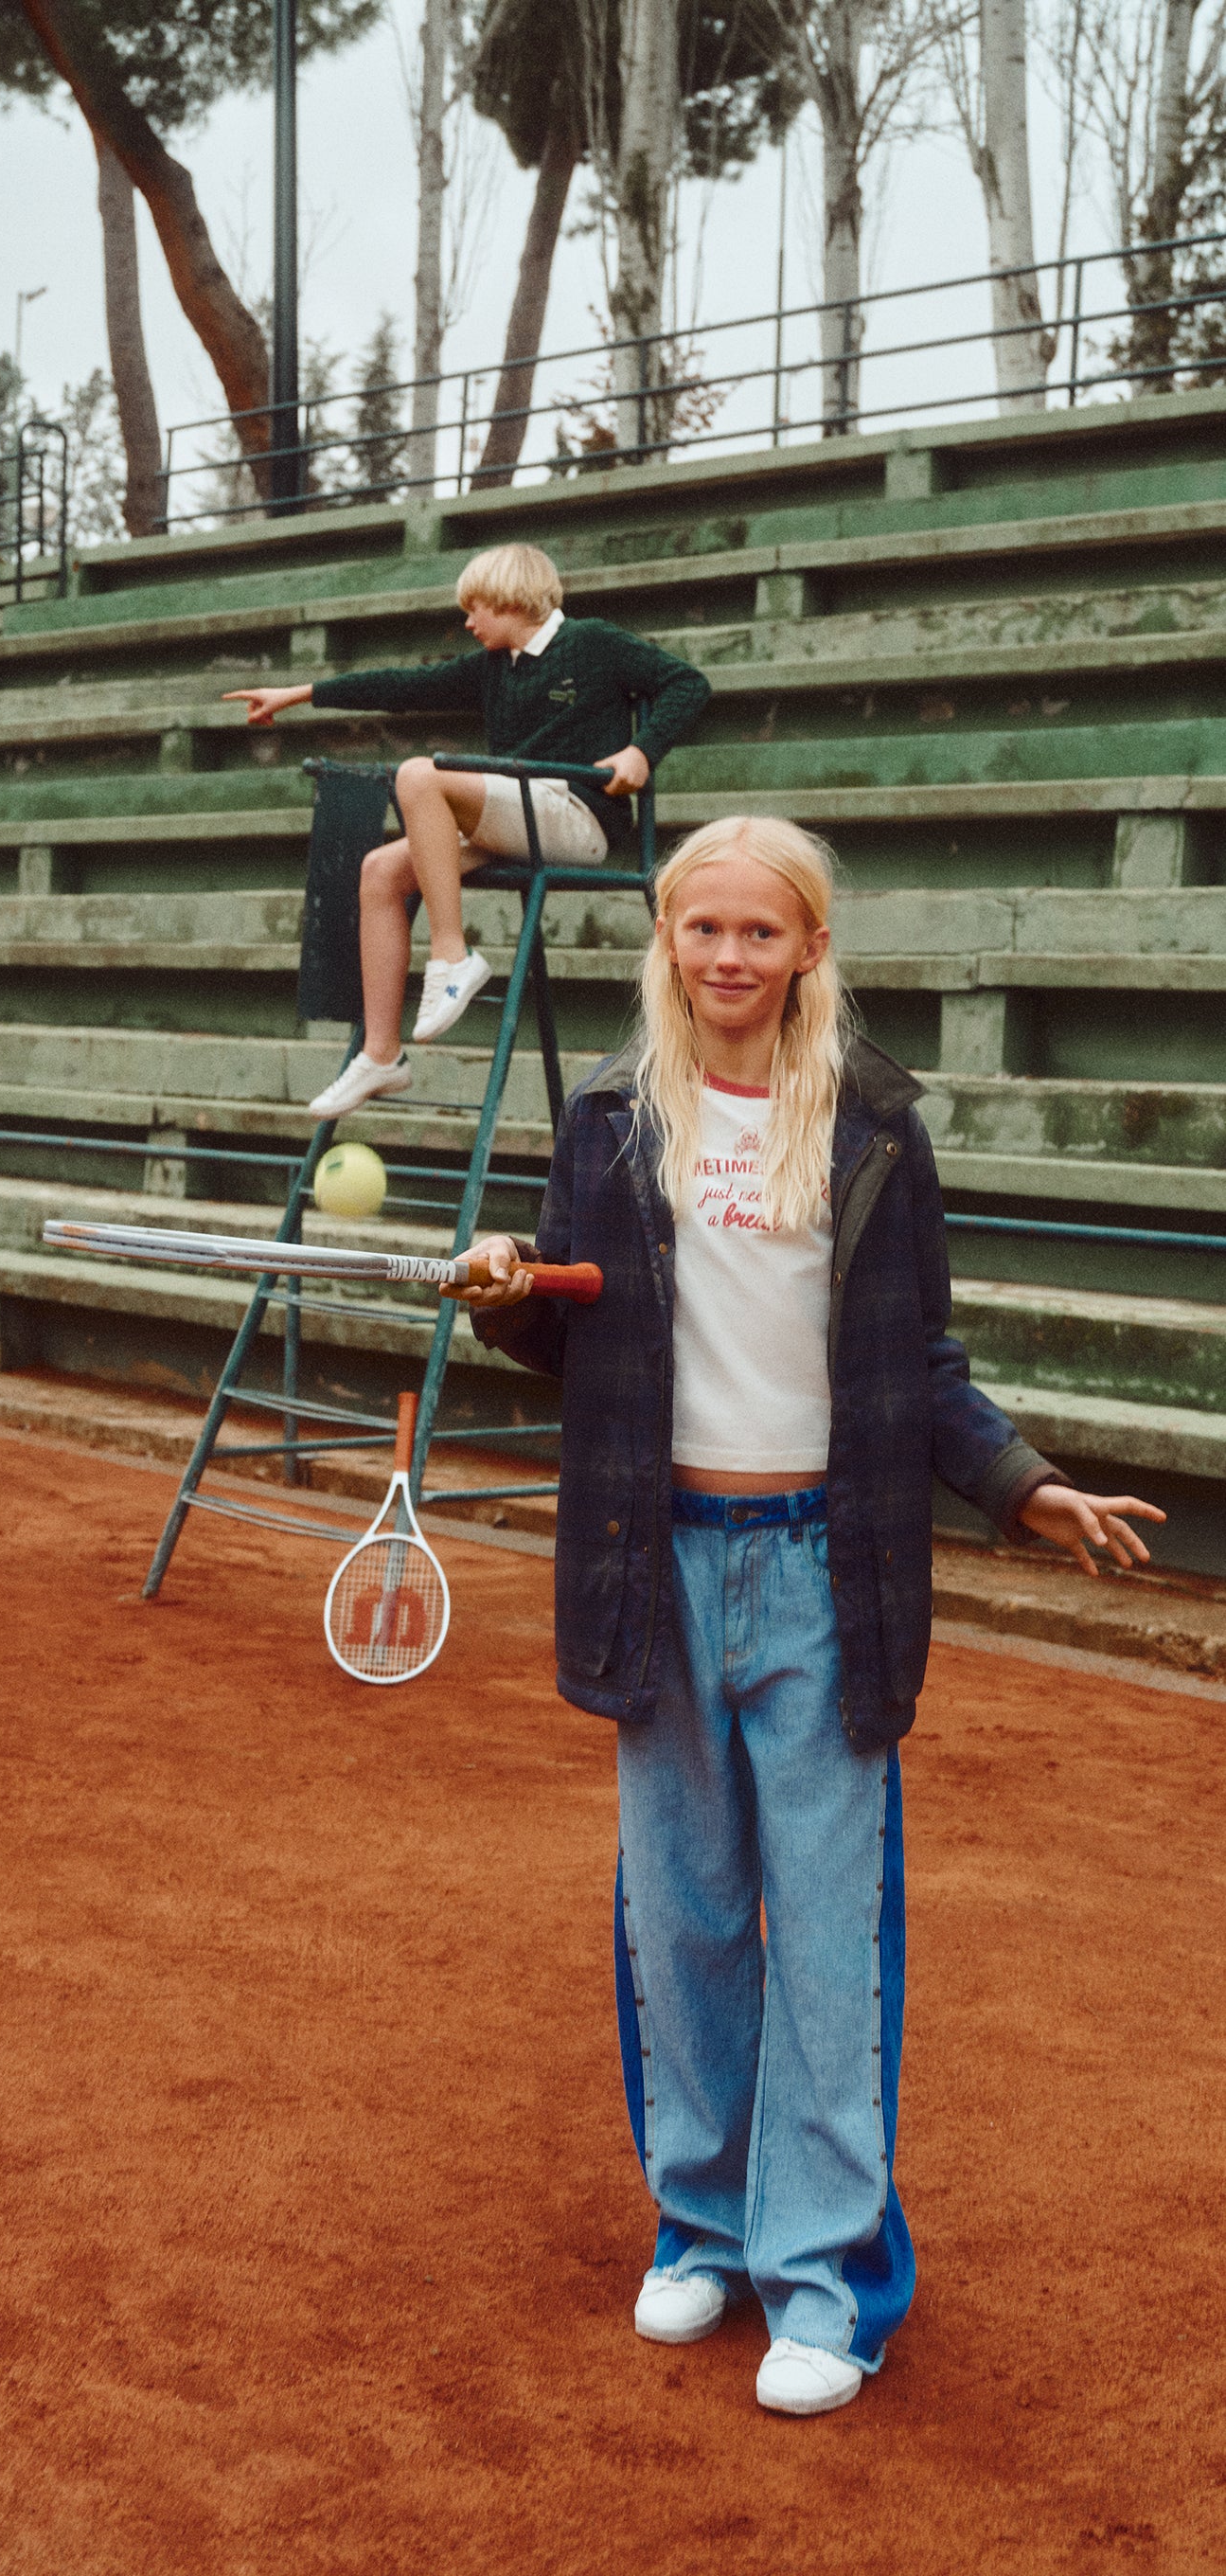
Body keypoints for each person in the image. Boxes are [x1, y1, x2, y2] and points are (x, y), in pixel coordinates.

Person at [452, 815, 1163, 2417]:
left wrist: (1022, 1485)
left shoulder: (880, 1130)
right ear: (665, 940)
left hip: (828, 1574)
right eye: (700, 929)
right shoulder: (609, 1121)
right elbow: (578, 1337)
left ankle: (827, 2277)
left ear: (809, 948)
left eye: (758, 933)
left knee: (828, 1944)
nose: (726, 958)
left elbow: (922, 1366)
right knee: (684, 1921)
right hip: (660, 1558)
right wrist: (509, 1293)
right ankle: (699, 2223)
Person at [223, 542, 710, 1118]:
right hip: (515, 814)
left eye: (475, 608)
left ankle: (451, 955)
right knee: (380, 871)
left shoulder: (592, 643)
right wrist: (302, 694)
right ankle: (382, 1055)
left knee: (420, 775)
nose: (468, 621)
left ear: (510, 601)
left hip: (575, 818)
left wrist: (641, 751)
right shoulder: (494, 668)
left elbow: (688, 684)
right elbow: (403, 687)